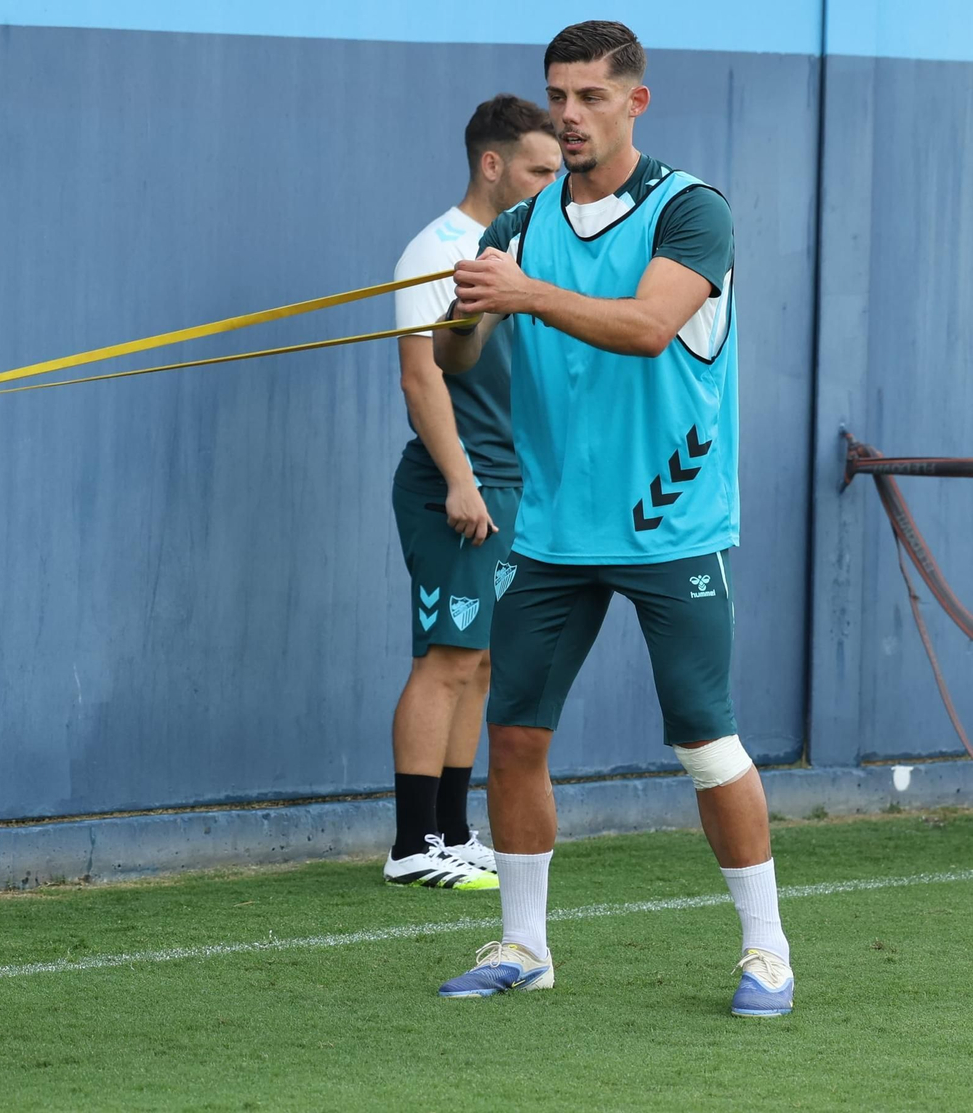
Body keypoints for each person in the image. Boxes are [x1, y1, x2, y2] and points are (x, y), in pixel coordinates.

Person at [431, 21, 794, 1017]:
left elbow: (644, 327)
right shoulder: (515, 229)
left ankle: (766, 952)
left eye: (590, 96)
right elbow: (457, 364)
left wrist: (521, 292)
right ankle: (523, 944)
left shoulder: (692, 212)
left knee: (703, 743)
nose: (569, 114)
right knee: (512, 738)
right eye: (558, 95)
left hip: (671, 529)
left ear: (635, 102)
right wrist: (462, 314)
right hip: (550, 531)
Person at [385, 95, 560, 891]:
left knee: (481, 661)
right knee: (446, 659)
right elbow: (421, 377)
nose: (552, 182)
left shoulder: (523, 250)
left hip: (512, 484)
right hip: (456, 485)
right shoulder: (438, 249)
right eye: (538, 169)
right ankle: (411, 842)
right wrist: (459, 480)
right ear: (493, 164)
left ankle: (453, 831)